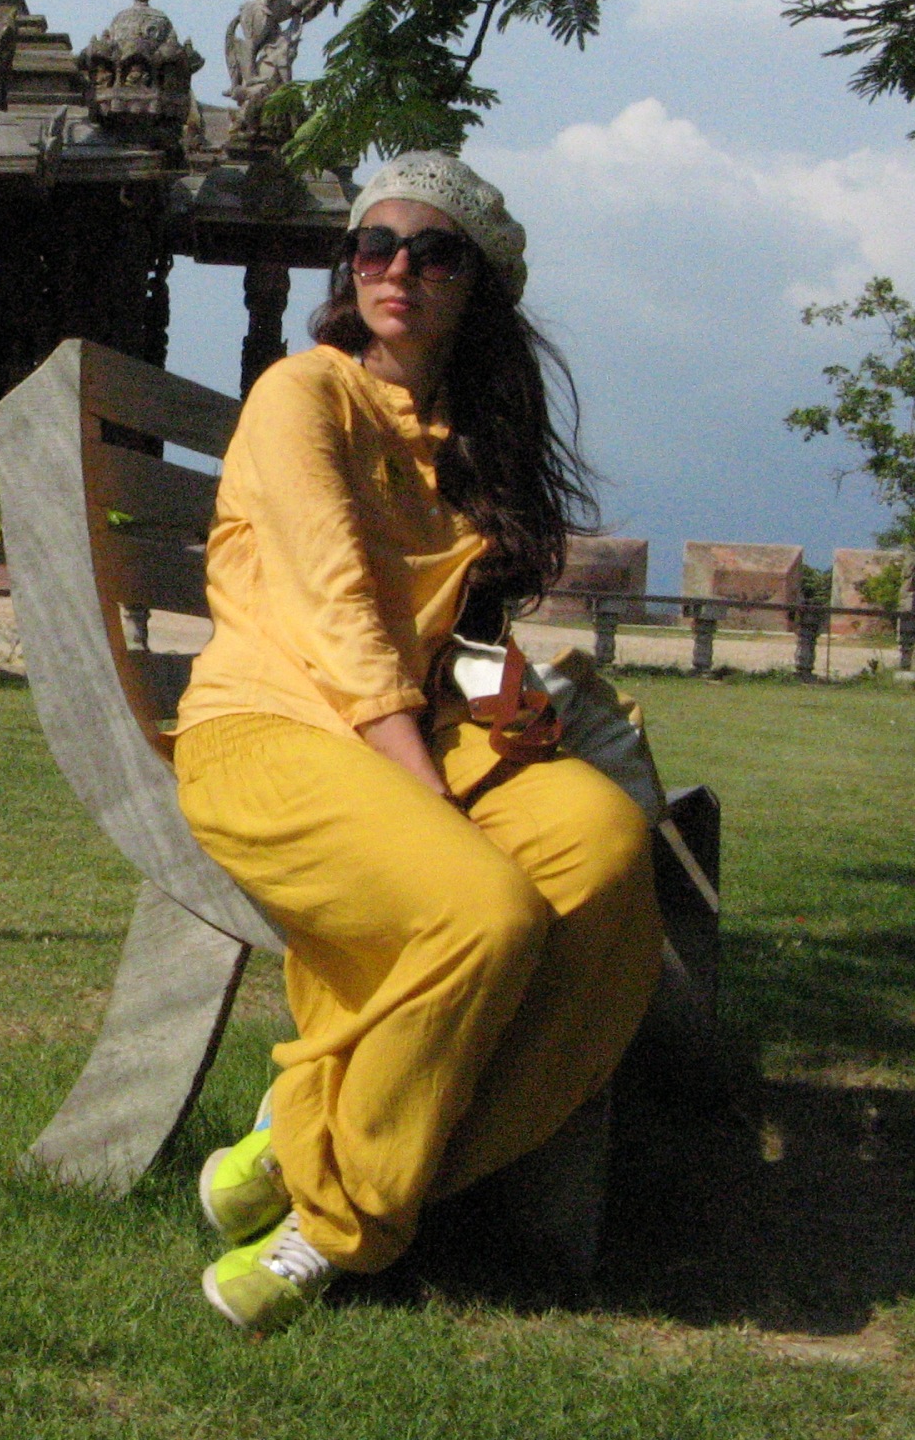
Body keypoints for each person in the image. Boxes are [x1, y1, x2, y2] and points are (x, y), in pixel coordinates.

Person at [171, 151, 663, 1332]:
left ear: (476, 284)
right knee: (478, 911)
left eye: (433, 252)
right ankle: (341, 1227)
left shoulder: (470, 437)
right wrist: (421, 788)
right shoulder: (304, 393)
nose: (397, 268)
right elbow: (335, 608)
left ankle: (312, 1141)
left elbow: (463, 634)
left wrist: (511, 714)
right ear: (349, 269)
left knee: (605, 852)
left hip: (421, 733)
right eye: (374, 245)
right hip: (269, 729)